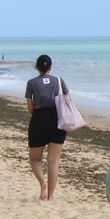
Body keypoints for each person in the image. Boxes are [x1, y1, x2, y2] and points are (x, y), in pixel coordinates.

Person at [23, 54, 70, 200]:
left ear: (37, 67)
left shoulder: (31, 83)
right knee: (54, 161)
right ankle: (50, 196)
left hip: (39, 120)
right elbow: (68, 100)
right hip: (58, 120)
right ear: (50, 67)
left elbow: (30, 109)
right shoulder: (59, 81)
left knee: (35, 159)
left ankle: (43, 184)